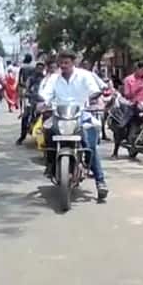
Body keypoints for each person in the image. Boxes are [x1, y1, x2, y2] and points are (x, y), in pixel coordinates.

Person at [39, 50, 109, 200]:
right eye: (61, 63)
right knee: (47, 131)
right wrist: (42, 104)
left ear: (73, 63)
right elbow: (46, 95)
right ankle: (51, 164)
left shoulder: (85, 76)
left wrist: (93, 98)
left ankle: (100, 181)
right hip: (59, 115)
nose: (63, 66)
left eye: (67, 63)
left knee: (89, 144)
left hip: (81, 114)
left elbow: (94, 91)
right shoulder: (54, 79)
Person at [16, 59, 45, 145]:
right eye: (38, 68)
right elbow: (26, 89)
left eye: (41, 68)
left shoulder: (45, 79)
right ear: (35, 68)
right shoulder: (31, 78)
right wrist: (27, 94)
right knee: (25, 116)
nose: (39, 70)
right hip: (32, 100)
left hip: (43, 101)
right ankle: (22, 136)